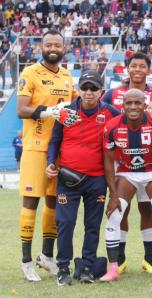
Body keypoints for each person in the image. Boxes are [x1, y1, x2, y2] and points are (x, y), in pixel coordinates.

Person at [16, 29, 79, 282]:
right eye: (49, 44)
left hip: (60, 149)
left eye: (58, 45)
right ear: (41, 47)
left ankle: (46, 256)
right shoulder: (30, 72)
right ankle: (26, 261)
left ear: (64, 49)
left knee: (54, 203)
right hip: (35, 148)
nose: (53, 48)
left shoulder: (66, 76)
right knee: (31, 202)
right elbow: (21, 110)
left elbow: (74, 106)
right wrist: (49, 111)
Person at [46, 70, 120, 285]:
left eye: (93, 88)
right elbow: (54, 141)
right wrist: (51, 162)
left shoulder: (111, 113)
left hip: (97, 179)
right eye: (85, 88)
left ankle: (87, 267)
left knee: (92, 224)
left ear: (101, 91)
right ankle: (63, 268)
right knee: (66, 223)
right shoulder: (66, 112)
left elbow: (129, 123)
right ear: (78, 90)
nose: (88, 93)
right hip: (68, 179)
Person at [101, 51, 152, 275]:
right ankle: (119, 258)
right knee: (123, 209)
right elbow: (106, 114)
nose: (137, 69)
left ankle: (149, 258)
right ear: (127, 68)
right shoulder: (113, 93)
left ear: (148, 70)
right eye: (133, 66)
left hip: (151, 164)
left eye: (142, 66)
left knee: (147, 208)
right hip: (124, 163)